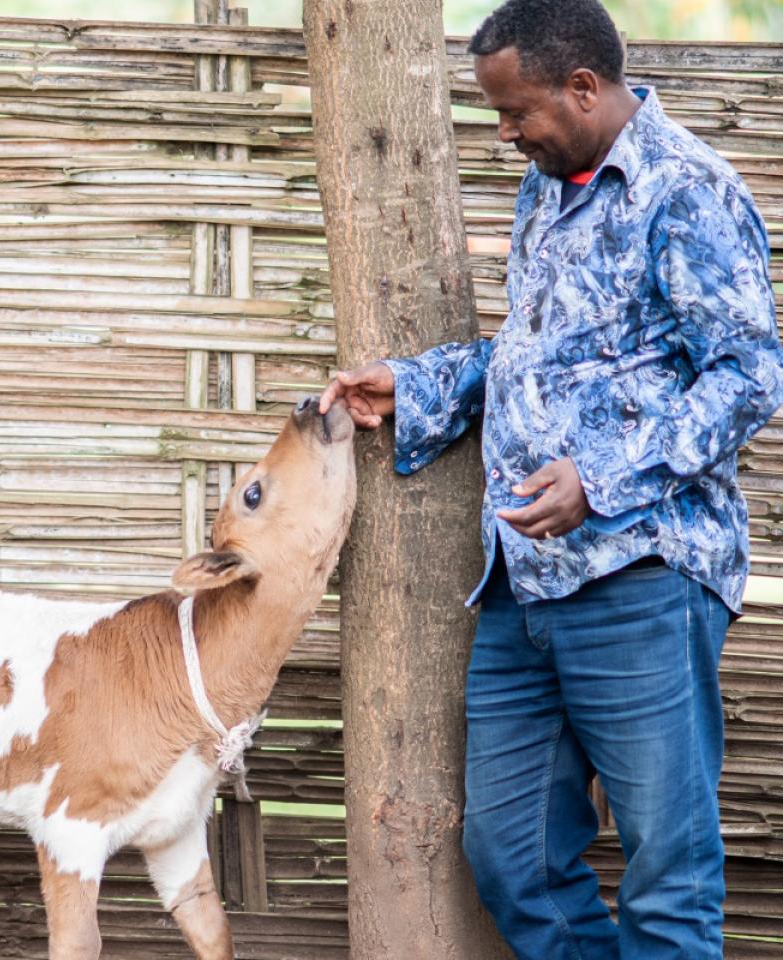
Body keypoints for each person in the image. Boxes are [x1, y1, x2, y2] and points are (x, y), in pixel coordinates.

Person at [318, 0, 781, 956]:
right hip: (523, 584)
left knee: (667, 869)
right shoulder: (553, 185)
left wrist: (603, 479)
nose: (504, 133)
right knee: (512, 857)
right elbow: (540, 357)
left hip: (642, 582)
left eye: (515, 110)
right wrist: (417, 384)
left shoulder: (686, 188)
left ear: (582, 87)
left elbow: (751, 373)